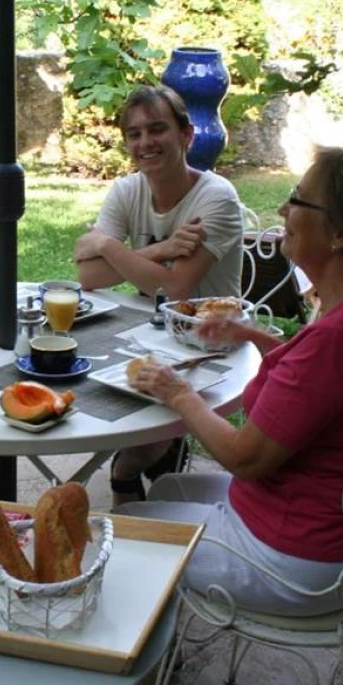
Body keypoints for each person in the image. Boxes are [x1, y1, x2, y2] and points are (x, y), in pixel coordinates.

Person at [84, 145, 343, 685]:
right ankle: (158, 639)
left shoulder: (339, 339)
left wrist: (177, 393)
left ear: (342, 232)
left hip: (303, 562)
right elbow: (330, 392)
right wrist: (253, 336)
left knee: (126, 532)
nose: (284, 207)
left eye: (299, 198)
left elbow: (246, 457)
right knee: (166, 485)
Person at [73, 84, 244, 505]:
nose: (145, 142)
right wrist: (163, 250)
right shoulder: (127, 191)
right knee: (86, 381)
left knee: (149, 425)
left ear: (186, 135)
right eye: (134, 134)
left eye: (157, 129)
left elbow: (175, 288)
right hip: (146, 331)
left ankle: (128, 472)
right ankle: (147, 464)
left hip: (212, 342)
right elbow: (87, 273)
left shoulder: (216, 198)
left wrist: (111, 247)